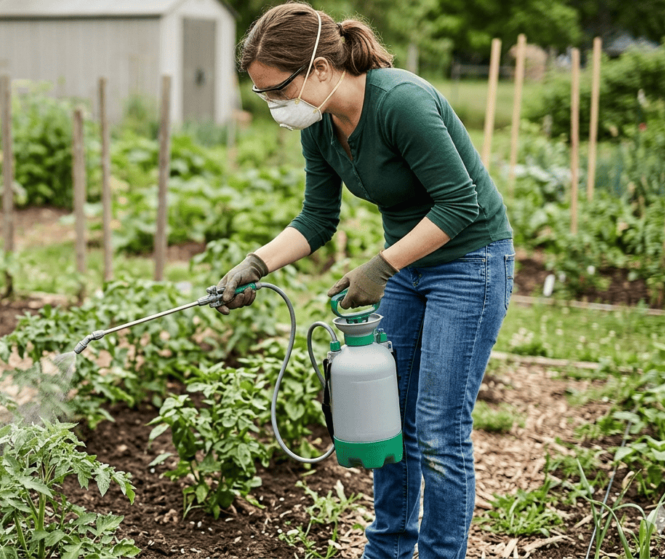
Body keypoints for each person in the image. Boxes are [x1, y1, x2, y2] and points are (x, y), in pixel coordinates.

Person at [215, 3, 515, 558]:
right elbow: (316, 219)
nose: (275, 106)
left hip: (470, 261)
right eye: (263, 96)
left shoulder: (401, 102)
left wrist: (381, 266)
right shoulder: (322, 128)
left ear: (322, 69)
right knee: (388, 419)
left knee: (439, 430)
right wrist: (255, 263)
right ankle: (387, 549)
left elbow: (459, 204)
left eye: (278, 89)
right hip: (406, 265)